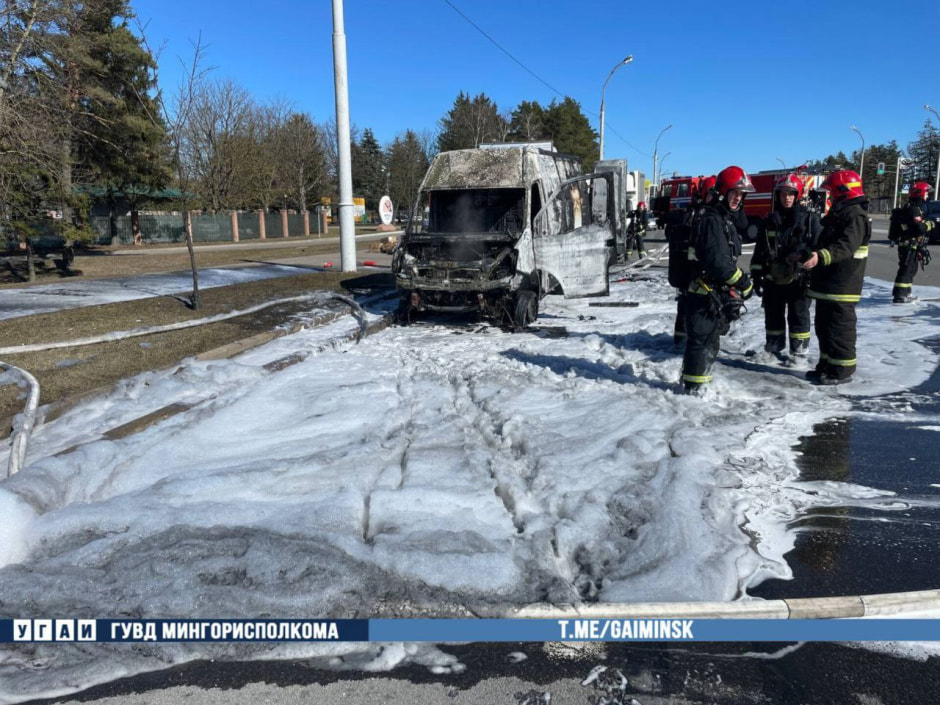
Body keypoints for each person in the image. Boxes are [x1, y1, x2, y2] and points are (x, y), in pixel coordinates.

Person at [680, 166, 754, 394]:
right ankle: (694, 391)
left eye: (741, 194)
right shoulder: (712, 221)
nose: (738, 198)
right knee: (701, 343)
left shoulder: (721, 218)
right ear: (723, 191)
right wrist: (744, 283)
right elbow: (720, 264)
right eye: (734, 193)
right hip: (703, 295)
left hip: (711, 296)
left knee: (710, 342)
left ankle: (700, 385)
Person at [801, 170, 870, 385]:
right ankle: (827, 365)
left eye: (831, 192)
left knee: (840, 328)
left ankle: (842, 371)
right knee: (824, 327)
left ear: (843, 191)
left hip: (843, 284)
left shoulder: (855, 216)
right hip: (829, 283)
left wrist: (820, 257)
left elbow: (845, 247)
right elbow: (824, 241)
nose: (829, 197)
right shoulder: (840, 213)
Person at [750, 174, 822, 357]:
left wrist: (803, 255)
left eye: (791, 193)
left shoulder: (809, 220)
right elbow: (760, 249)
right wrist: (756, 274)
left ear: (797, 195)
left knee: (798, 316)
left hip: (800, 279)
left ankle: (799, 354)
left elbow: (819, 246)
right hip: (773, 278)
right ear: (777, 196)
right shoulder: (770, 221)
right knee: (773, 315)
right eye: (783, 194)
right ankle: (773, 350)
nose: (787, 198)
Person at [669, 175, 715, 347]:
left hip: (706, 272)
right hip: (690, 272)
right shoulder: (694, 214)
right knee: (685, 306)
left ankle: (698, 339)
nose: (715, 197)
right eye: (711, 193)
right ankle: (681, 341)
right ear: (704, 194)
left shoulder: (715, 214)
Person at [890, 181, 934, 303]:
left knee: (911, 269)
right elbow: (920, 227)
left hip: (911, 244)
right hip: (909, 244)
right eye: (926, 193)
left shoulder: (914, 208)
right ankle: (900, 296)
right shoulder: (914, 209)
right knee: (906, 269)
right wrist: (930, 224)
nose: (928, 196)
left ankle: (906, 293)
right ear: (920, 193)